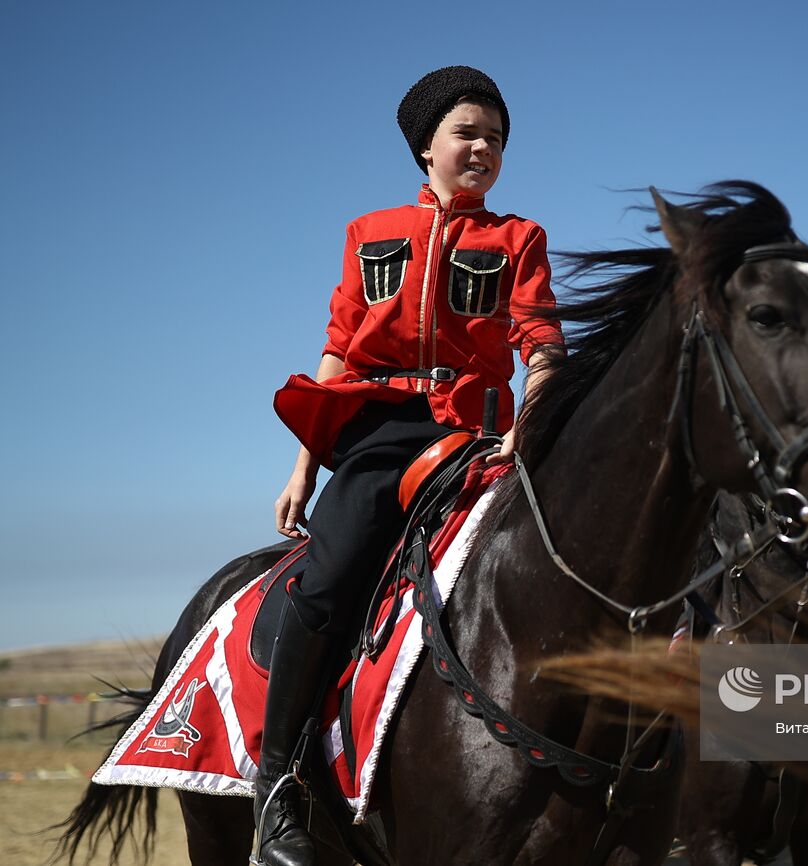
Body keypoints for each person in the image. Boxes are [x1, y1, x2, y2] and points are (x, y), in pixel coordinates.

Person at [258, 65, 563, 866]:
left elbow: (542, 349)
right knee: (323, 585)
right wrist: (305, 469)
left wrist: (526, 430)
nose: (484, 147)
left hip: (477, 438)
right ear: (425, 146)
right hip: (374, 436)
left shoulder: (519, 237)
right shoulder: (368, 230)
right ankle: (276, 785)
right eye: (468, 131)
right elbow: (336, 346)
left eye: (496, 137)